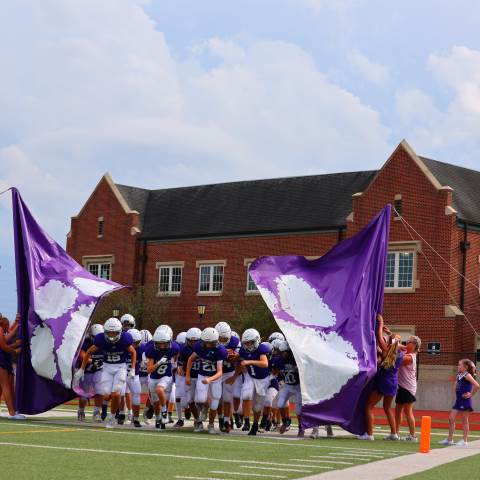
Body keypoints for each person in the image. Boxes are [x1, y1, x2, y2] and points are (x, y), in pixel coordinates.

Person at [75, 317, 136, 428]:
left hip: (120, 368)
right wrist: (82, 369)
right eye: (109, 333)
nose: (112, 335)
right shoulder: (100, 339)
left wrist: (132, 369)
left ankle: (111, 418)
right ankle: (108, 411)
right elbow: (88, 353)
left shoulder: (126, 338)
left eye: (114, 333)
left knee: (116, 393)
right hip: (107, 368)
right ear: (105, 332)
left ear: (120, 332)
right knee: (107, 396)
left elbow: (133, 351)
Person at [359, 315, 403, 441]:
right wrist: (390, 334)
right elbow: (394, 343)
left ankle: (370, 434)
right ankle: (394, 433)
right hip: (393, 382)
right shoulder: (400, 354)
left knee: (368, 406)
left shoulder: (386, 350)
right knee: (388, 408)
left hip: (383, 381)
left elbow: (379, 337)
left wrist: (381, 323)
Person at [186, 327, 227, 434]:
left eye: (212, 342)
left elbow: (219, 372)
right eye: (207, 342)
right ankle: (204, 408)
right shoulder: (199, 347)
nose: (209, 345)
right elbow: (190, 359)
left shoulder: (220, 350)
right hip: (202, 375)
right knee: (200, 399)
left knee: (214, 404)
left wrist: (210, 379)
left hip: (215, 378)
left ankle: (211, 425)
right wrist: (188, 376)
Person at [236, 328, 271, 436]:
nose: (248, 345)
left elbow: (265, 363)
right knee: (246, 395)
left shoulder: (261, 348)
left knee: (257, 407)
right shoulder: (242, 351)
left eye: (250, 342)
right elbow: (241, 363)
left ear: (256, 341)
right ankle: (246, 421)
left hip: (263, 380)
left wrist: (249, 361)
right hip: (250, 376)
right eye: (246, 343)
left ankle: (255, 424)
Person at [144, 325, 179, 429]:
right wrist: (158, 363)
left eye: (165, 344)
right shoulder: (151, 349)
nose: (163, 346)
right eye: (160, 344)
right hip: (153, 376)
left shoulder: (174, 347)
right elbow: (149, 370)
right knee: (155, 402)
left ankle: (164, 412)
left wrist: (174, 363)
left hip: (166, 375)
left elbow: (177, 353)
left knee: (160, 390)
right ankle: (159, 419)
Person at [439, 359, 479, 447]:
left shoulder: (467, 375)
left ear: (465, 367)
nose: (458, 366)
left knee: (464, 420)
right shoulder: (459, 375)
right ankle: (449, 439)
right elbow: (455, 388)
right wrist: (454, 382)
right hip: (458, 400)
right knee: (451, 418)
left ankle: (464, 441)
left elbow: (477, 385)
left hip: (465, 400)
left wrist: (471, 394)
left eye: (459, 365)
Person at [395, 335, 421, 442]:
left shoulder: (410, 357)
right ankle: (395, 433)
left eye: (409, 342)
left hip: (407, 387)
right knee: (398, 410)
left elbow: (398, 360)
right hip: (402, 386)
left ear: (414, 345)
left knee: (407, 411)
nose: (406, 343)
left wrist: (395, 344)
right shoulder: (408, 353)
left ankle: (413, 435)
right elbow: (399, 349)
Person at [215, 321, 240, 433]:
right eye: (221, 338)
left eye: (225, 338)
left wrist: (235, 355)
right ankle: (220, 418)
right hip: (216, 373)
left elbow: (239, 360)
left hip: (229, 372)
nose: (224, 341)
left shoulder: (235, 341)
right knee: (217, 399)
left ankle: (226, 421)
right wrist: (224, 353)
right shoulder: (212, 341)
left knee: (226, 398)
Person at [77, 323, 105, 422]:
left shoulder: (105, 342)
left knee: (100, 390)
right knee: (84, 394)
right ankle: (81, 410)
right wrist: (93, 361)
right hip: (86, 371)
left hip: (98, 370)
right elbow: (82, 355)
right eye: (95, 337)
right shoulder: (85, 342)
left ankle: (97, 412)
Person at [0, 313, 24, 420]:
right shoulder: (0, 329)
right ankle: (12, 413)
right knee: (6, 386)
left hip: (5, 360)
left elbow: (8, 333)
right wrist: (15, 349)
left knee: (4, 386)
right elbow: (3, 345)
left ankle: (13, 410)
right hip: (2, 359)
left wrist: (17, 322)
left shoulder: (2, 329)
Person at [177, 327, 202, 429]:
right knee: (190, 400)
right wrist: (181, 370)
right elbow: (180, 363)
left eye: (195, 341)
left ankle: (202, 414)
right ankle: (197, 420)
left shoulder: (204, 348)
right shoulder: (184, 349)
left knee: (201, 399)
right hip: (190, 377)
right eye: (190, 341)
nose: (192, 343)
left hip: (201, 376)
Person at [125, 328, 143, 427]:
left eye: (137, 342)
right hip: (122, 373)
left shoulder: (141, 349)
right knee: (120, 393)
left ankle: (135, 418)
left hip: (134, 375)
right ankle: (121, 414)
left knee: (136, 394)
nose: (135, 345)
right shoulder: (122, 347)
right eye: (133, 343)